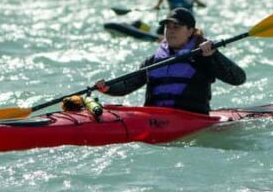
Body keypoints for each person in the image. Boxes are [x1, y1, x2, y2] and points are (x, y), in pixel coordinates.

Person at [94, 8, 245, 114]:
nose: (170, 31)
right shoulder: (153, 60)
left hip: (191, 119)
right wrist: (108, 87)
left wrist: (214, 55)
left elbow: (238, 78)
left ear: (190, 31)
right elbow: (127, 85)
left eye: (176, 27)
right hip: (153, 118)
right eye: (168, 26)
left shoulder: (202, 56)